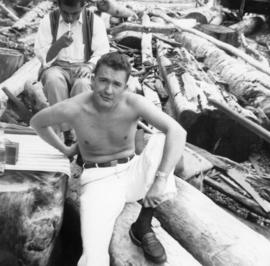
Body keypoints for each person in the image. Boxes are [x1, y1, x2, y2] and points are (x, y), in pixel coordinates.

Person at [30, 52, 186, 265]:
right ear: (92, 80)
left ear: (125, 86)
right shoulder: (76, 107)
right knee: (94, 255)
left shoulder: (133, 103)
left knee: (161, 140)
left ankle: (143, 224)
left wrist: (159, 181)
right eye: (103, 80)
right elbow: (37, 122)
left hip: (132, 172)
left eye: (116, 84)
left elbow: (178, 132)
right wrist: (66, 150)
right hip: (99, 181)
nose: (108, 90)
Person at [34, 0, 110, 143]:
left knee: (83, 84)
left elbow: (102, 51)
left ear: (83, 6)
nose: (69, 18)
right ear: (59, 6)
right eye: (65, 13)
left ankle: (79, 133)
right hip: (56, 66)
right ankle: (63, 132)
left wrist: (89, 66)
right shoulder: (49, 20)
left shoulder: (95, 21)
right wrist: (58, 45)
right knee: (54, 81)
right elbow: (43, 58)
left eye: (74, 13)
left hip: (83, 66)